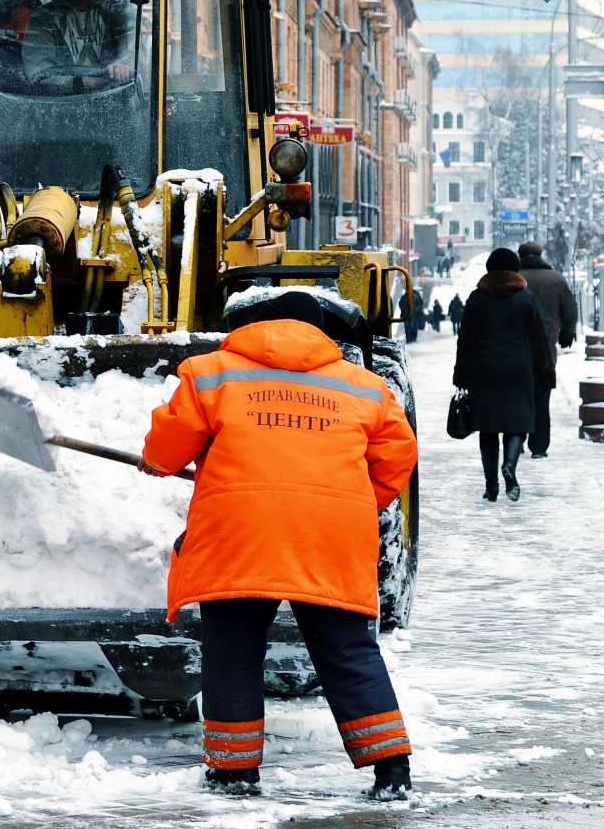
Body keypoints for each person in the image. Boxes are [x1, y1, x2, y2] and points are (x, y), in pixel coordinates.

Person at [140, 291, 420, 800]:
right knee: (347, 649)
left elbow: (167, 445)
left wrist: (157, 462)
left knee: (234, 650)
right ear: (322, 334)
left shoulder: (212, 373)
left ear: (258, 327)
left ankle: (234, 770)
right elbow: (398, 458)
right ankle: (391, 768)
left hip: (240, 532)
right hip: (330, 534)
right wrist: (352, 500)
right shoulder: (365, 387)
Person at [454, 248, 549, 503]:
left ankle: (491, 486)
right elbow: (540, 339)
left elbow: (465, 341)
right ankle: (509, 466)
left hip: (483, 370)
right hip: (519, 368)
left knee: (488, 427)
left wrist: (460, 375)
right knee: (518, 423)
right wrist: (545, 372)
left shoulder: (476, 298)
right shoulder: (526, 298)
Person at [20, 0, 138, 93]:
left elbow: (134, 48)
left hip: (115, 101)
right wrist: (78, 82)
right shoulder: (43, 17)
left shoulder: (116, 4)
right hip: (59, 105)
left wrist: (123, 65)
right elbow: (39, 73)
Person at [518, 241, 580, 458]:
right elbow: (571, 311)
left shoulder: (514, 277)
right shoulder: (556, 279)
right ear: (540, 255)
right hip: (545, 349)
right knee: (541, 398)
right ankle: (539, 447)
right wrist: (565, 335)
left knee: (517, 397)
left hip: (516, 348)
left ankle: (517, 441)